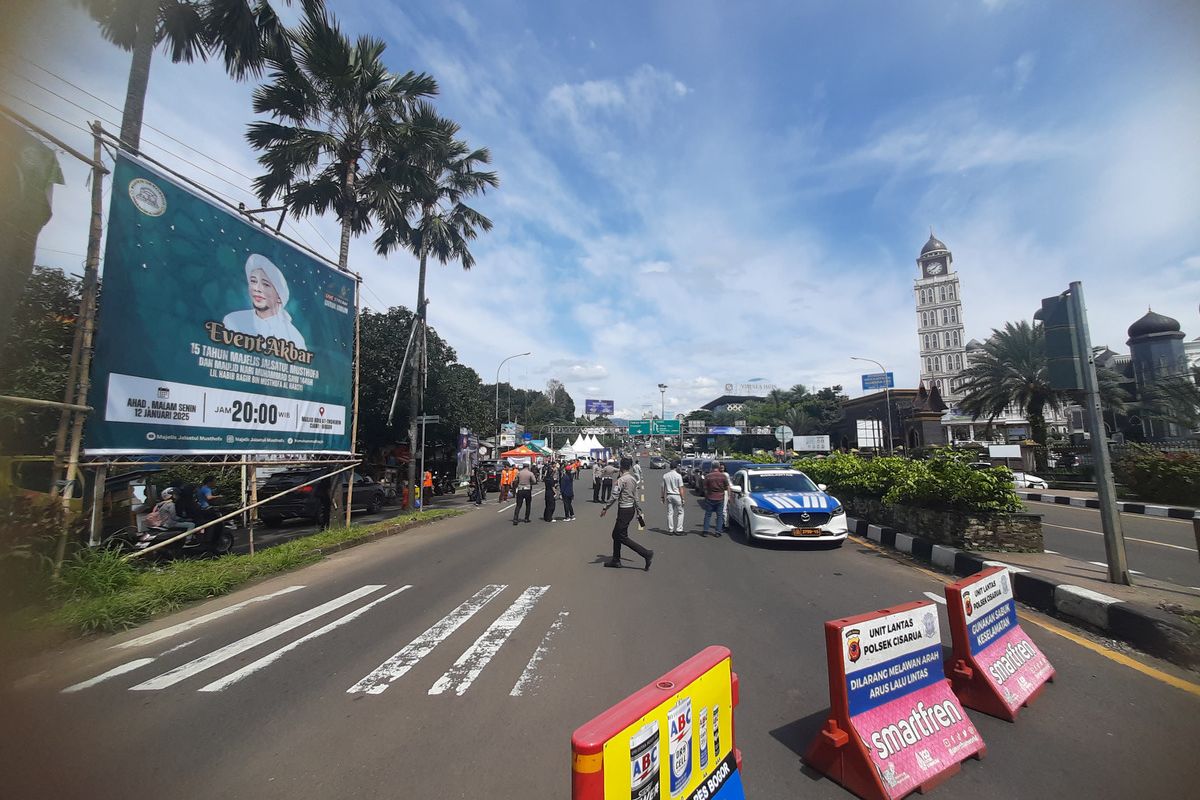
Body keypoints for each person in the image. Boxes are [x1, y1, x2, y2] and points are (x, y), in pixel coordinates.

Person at [221, 253, 307, 349]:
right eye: (253, 281)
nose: (257, 289)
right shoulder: (233, 320)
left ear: (279, 297)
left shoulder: (294, 337)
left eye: (266, 284)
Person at [601, 457, 653, 570]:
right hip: (630, 510)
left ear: (620, 467)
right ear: (629, 467)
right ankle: (616, 559)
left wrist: (605, 508)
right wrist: (639, 510)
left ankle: (646, 553)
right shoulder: (633, 479)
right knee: (616, 534)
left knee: (621, 536)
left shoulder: (621, 480)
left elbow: (614, 496)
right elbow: (636, 497)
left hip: (624, 510)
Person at [702, 462, 731, 536]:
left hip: (710, 497)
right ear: (718, 467)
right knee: (719, 515)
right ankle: (718, 531)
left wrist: (706, 496)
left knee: (708, 515)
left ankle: (705, 530)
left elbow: (705, 488)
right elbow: (727, 486)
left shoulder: (708, 476)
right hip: (720, 497)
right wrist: (729, 496)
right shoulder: (723, 476)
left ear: (712, 467)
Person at [661, 459, 686, 534]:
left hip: (669, 495)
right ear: (676, 467)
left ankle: (670, 529)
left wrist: (662, 497)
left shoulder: (665, 476)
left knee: (670, 513)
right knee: (680, 512)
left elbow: (663, 487)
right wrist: (683, 498)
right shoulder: (678, 476)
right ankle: (679, 529)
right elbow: (681, 488)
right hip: (677, 495)